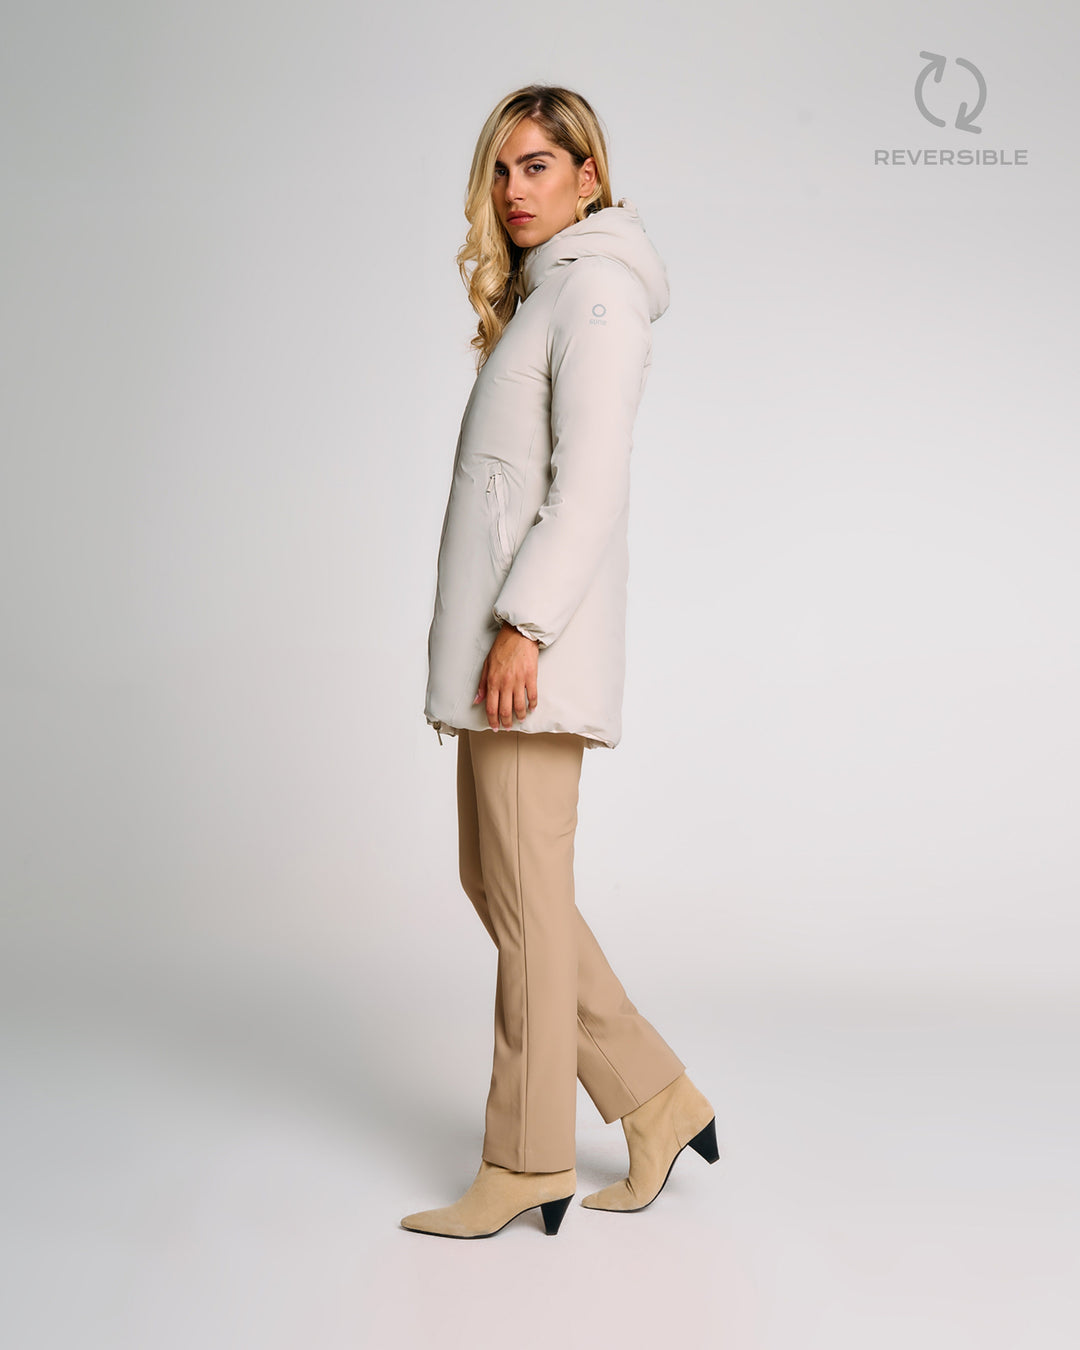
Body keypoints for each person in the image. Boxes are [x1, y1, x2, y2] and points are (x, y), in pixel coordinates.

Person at [402, 85, 717, 1240]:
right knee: (502, 886)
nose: (513, 190)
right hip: (507, 649)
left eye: (537, 166)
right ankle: (657, 1100)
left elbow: (589, 485)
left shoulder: (597, 294)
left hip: (529, 653)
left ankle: (526, 1160)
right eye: (501, 169)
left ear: (590, 176)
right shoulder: (550, 295)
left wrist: (524, 626)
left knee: (525, 903)